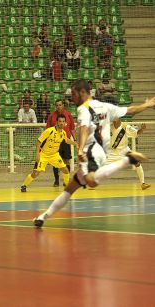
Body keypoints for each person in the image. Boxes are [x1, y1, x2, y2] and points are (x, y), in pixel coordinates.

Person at [33, 80, 155, 227]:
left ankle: (127, 160)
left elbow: (84, 128)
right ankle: (43, 217)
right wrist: (146, 105)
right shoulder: (105, 107)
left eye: (74, 94)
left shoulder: (83, 109)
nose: (72, 98)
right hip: (101, 152)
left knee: (91, 181)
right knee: (70, 188)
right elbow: (130, 110)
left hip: (91, 150)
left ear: (82, 92)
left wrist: (80, 148)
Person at [21, 114, 76, 192]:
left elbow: (66, 140)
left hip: (54, 155)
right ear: (56, 122)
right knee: (35, 173)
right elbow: (39, 141)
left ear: (65, 123)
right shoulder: (49, 131)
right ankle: (24, 185)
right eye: (60, 121)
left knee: (65, 170)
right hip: (44, 155)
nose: (61, 123)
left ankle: (67, 186)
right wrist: (37, 154)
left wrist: (75, 144)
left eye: (63, 121)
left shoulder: (63, 133)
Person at [108, 119, 150, 190]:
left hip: (124, 150)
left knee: (137, 162)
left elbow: (136, 133)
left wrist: (141, 129)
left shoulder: (125, 126)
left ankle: (143, 183)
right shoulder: (108, 126)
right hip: (113, 152)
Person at [47, 99, 76, 186]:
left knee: (66, 160)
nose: (58, 106)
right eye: (57, 105)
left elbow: (72, 128)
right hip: (55, 142)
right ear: (55, 106)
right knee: (55, 161)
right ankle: (56, 180)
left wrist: (75, 139)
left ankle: (66, 180)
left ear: (63, 105)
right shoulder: (51, 116)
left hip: (65, 141)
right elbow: (48, 130)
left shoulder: (69, 115)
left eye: (60, 105)